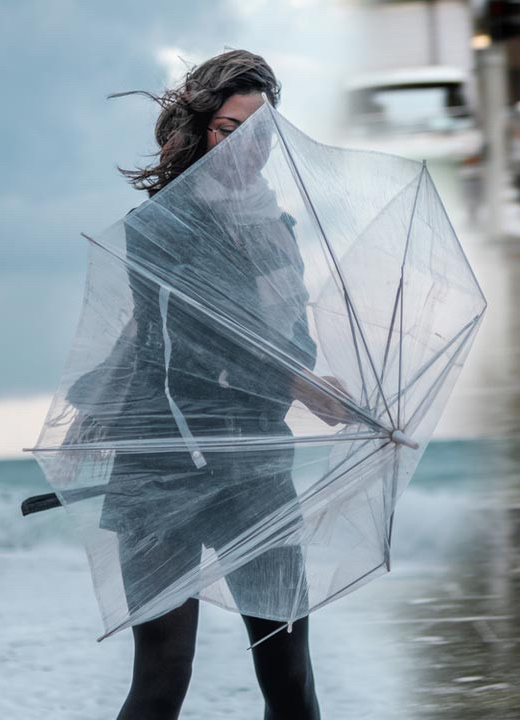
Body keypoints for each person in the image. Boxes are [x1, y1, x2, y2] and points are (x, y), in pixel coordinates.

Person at [97, 49, 349, 720]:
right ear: (203, 126)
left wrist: (319, 380)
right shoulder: (156, 228)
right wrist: (297, 379)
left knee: (291, 680)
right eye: (233, 129)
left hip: (254, 465)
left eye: (263, 133)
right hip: (161, 468)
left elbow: (290, 335)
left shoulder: (279, 231)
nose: (250, 149)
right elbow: (190, 334)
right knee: (162, 679)